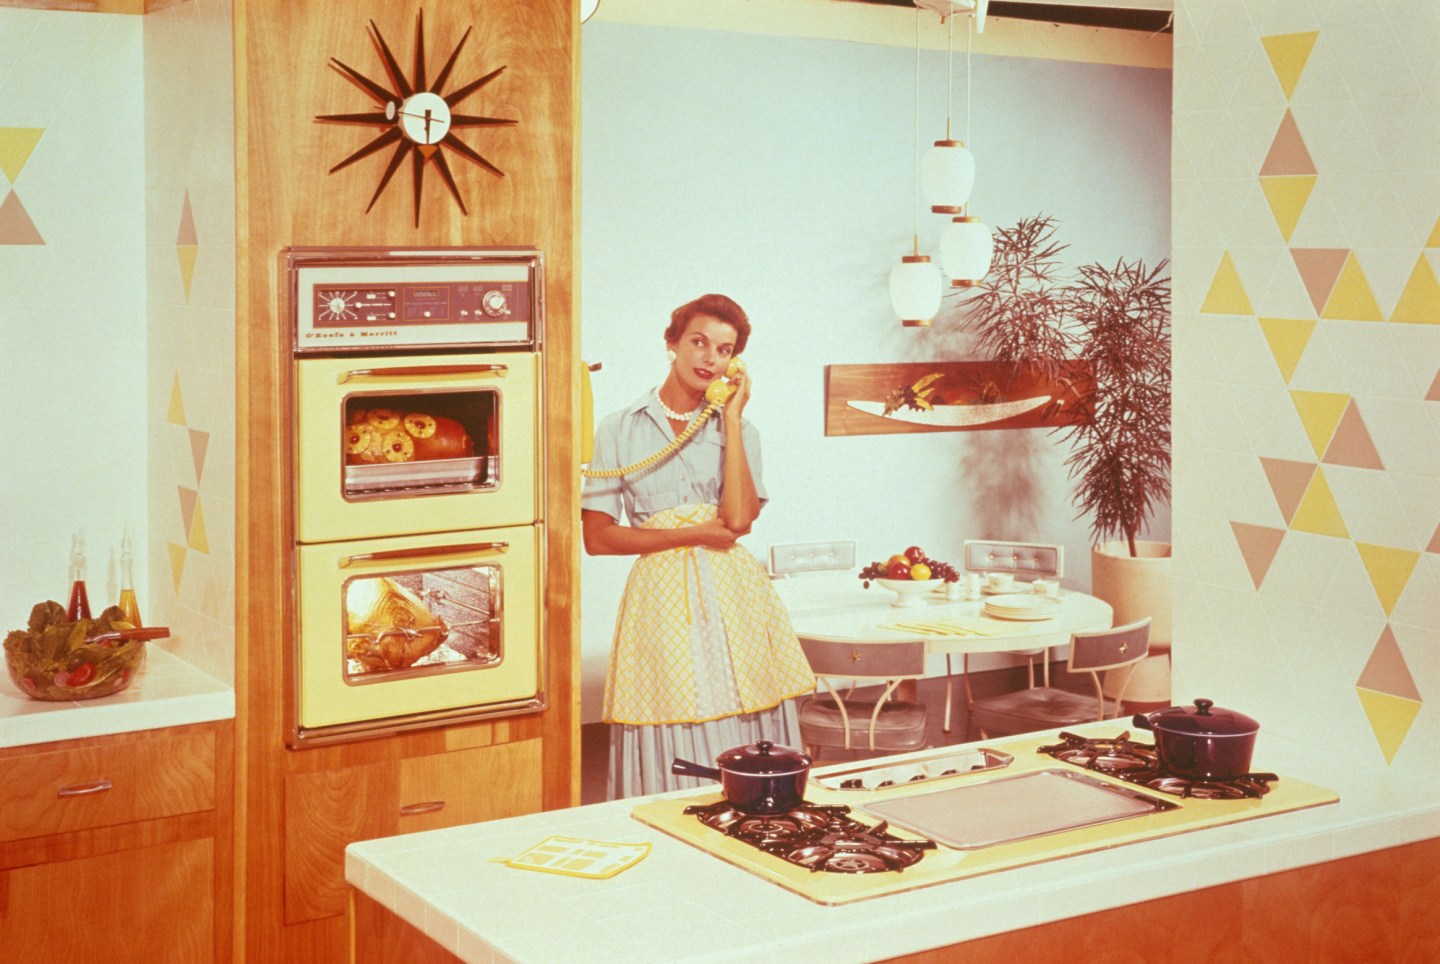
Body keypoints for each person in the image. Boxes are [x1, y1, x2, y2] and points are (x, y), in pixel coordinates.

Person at [581, 293, 816, 799]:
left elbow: (736, 520)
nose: (710, 358)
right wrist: (692, 534)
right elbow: (597, 538)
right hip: (660, 596)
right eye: (699, 342)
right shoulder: (619, 428)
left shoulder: (742, 430)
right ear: (672, 343)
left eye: (725, 350)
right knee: (668, 702)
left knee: (744, 696)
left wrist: (729, 419)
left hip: (735, 595)